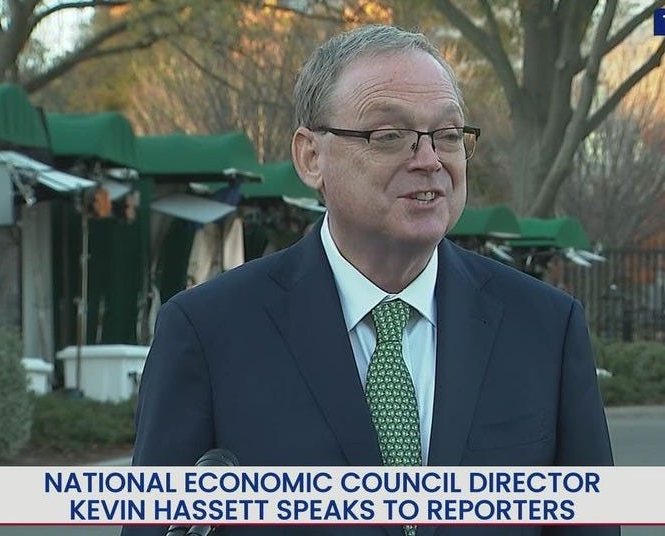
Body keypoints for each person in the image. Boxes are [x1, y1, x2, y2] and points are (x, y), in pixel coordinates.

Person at [125, 24, 616, 536]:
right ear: (311, 157)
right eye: (389, 136)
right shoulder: (208, 332)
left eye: (448, 135)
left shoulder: (544, 327)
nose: (429, 160)